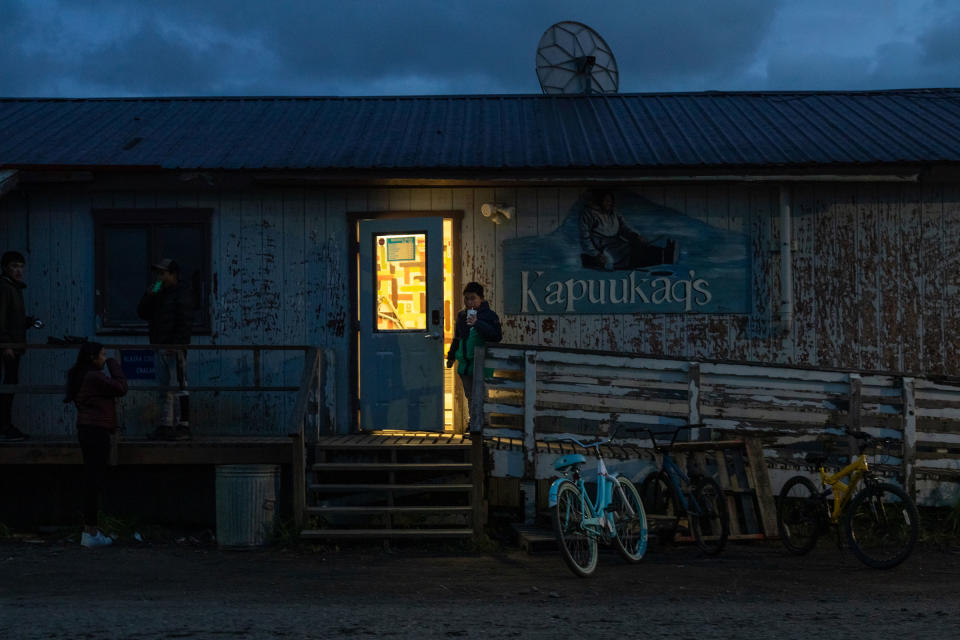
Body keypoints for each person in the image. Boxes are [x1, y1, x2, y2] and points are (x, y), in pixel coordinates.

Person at [64, 341, 127, 548]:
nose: (104, 357)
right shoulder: (93, 376)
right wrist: (113, 363)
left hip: (87, 429)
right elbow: (121, 387)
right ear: (93, 357)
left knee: (92, 479)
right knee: (94, 480)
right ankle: (90, 531)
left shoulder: (83, 374)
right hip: (96, 431)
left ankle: (90, 530)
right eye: (102, 354)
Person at [137, 258, 193, 440]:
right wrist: (151, 293)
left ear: (173, 274)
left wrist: (177, 344)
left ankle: (183, 426)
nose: (158, 276)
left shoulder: (182, 293)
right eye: (157, 273)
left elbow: (185, 321)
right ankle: (166, 425)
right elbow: (142, 313)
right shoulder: (159, 293)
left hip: (174, 347)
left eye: (163, 273)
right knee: (164, 387)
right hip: (160, 345)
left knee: (180, 385)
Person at [579, 191, 678, 271]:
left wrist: (635, 236)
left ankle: (665, 253)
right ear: (600, 200)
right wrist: (596, 254)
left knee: (638, 245)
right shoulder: (589, 214)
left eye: (610, 200)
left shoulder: (614, 213)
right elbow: (585, 238)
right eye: (606, 200)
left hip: (617, 242)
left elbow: (624, 228)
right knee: (632, 253)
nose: (609, 203)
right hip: (604, 247)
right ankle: (663, 256)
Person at [0, 250, 39, 441]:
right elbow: (0, 319)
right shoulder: (4, 287)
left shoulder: (14, 288)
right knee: (8, 386)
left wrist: (27, 322)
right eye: (14, 266)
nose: (18, 270)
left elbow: (11, 319)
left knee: (10, 385)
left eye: (21, 266)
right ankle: (5, 426)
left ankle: (6, 425)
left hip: (13, 346)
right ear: (5, 268)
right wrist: (6, 344)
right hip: (8, 348)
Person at [446, 282, 502, 412]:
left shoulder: (489, 316)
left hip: (482, 363)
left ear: (481, 299)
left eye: (473, 298)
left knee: (482, 395)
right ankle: (473, 424)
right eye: (466, 298)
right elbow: (457, 338)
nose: (469, 302)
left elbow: (496, 336)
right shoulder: (461, 315)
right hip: (465, 364)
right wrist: (451, 356)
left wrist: (477, 323)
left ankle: (483, 423)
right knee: (470, 395)